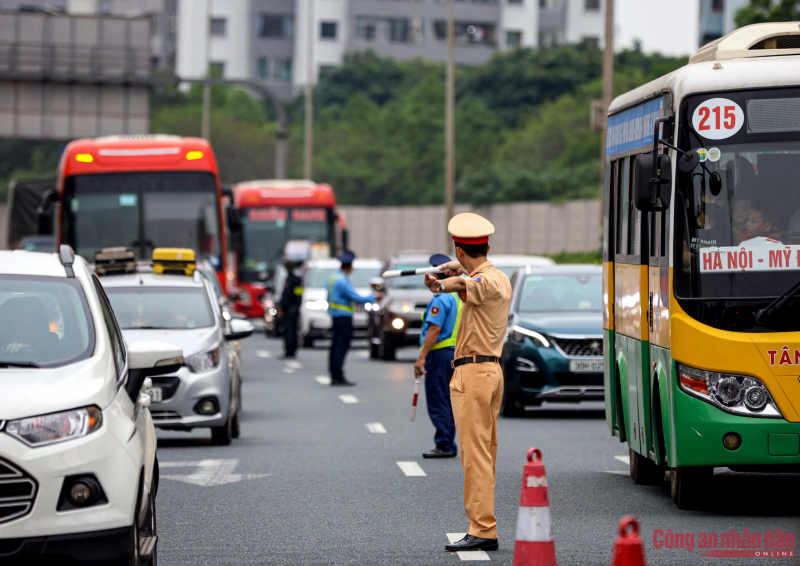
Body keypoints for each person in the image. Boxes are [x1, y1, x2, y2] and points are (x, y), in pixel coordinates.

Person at [423, 213, 512, 553]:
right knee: (484, 453)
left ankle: (483, 529)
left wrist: (441, 284)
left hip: (474, 374)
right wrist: (458, 271)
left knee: (474, 455)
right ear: (486, 247)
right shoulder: (498, 277)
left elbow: (465, 287)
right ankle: (484, 525)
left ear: (460, 251)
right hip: (489, 371)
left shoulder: (480, 282)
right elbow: (469, 283)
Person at [415, 253, 461, 459]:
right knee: (448, 400)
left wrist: (422, 357)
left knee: (438, 399)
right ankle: (448, 441)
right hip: (453, 353)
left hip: (439, 353)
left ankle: (444, 443)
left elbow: (434, 330)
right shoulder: (456, 295)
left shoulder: (441, 298)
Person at [328, 251, 383, 386]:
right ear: (349, 266)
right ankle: (338, 376)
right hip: (343, 317)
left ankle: (335, 374)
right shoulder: (342, 281)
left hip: (336, 316)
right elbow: (356, 298)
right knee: (341, 347)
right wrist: (375, 297)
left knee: (335, 346)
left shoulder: (333, 278)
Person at [280, 260, 304, 359]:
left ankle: (291, 351)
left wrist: (295, 306)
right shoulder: (290, 279)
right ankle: (289, 350)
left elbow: (298, 295)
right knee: (289, 331)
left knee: (291, 331)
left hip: (291, 309)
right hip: (290, 309)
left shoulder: (295, 280)